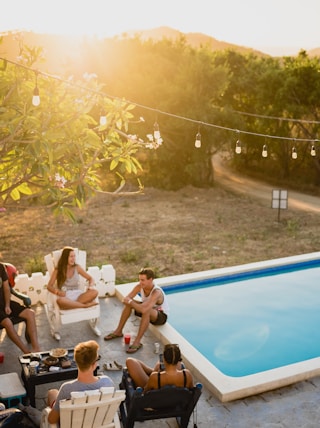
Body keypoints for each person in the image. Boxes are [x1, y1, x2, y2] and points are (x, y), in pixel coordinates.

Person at [47, 340, 114, 425]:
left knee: (52, 392)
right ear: (94, 364)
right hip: (98, 423)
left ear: (77, 362)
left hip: (72, 424)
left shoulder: (67, 389)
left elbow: (51, 420)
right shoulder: (107, 382)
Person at [104, 267, 169, 353]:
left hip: (160, 316)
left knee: (146, 310)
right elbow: (126, 299)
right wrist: (130, 302)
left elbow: (143, 309)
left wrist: (131, 301)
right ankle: (118, 331)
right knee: (130, 305)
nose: (140, 282)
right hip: (147, 309)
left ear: (151, 280)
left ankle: (137, 342)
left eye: (143, 280)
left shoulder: (156, 292)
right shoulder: (139, 286)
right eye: (139, 280)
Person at [0, 262, 40, 354]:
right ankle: (27, 353)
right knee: (8, 322)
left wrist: (7, 305)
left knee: (30, 313)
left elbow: (6, 288)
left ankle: (36, 349)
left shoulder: (1, 267)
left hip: (4, 302)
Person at [126, 343, 194, 391]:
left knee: (130, 361)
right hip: (176, 402)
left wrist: (155, 372)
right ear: (178, 360)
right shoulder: (187, 375)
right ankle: (154, 370)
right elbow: (191, 391)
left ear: (164, 359)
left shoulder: (155, 377)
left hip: (157, 403)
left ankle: (154, 370)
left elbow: (145, 394)